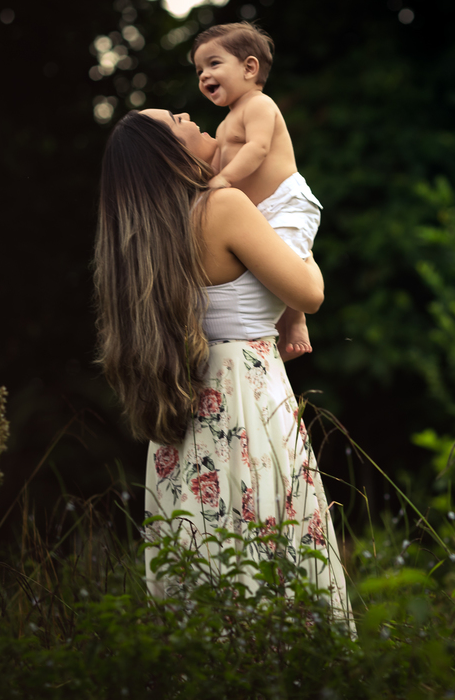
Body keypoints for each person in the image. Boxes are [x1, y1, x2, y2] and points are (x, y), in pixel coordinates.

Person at [92, 108, 350, 623]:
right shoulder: (224, 208)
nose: (189, 113)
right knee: (270, 559)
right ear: (170, 151)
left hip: (182, 421)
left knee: (204, 565)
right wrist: (299, 238)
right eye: (175, 118)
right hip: (244, 403)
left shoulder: (148, 236)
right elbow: (310, 293)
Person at [191, 22, 321, 362]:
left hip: (286, 201)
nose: (204, 75)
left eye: (213, 63)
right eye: (199, 69)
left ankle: (296, 321)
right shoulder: (224, 122)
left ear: (250, 67)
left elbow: (258, 149)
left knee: (290, 265)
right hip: (256, 210)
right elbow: (216, 167)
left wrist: (224, 180)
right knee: (267, 267)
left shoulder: (259, 105)